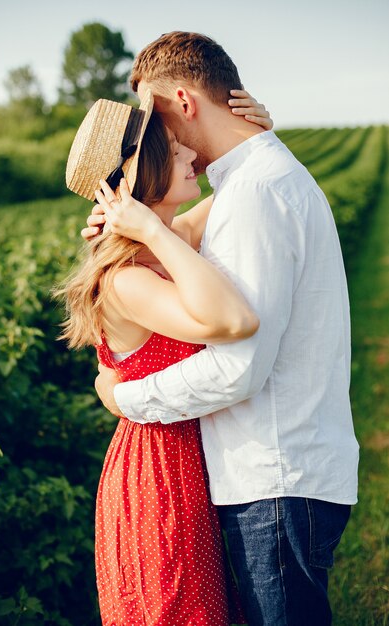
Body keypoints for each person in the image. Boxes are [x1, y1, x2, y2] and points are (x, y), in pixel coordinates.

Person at [84, 32, 360, 626]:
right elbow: (173, 244)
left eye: (153, 117)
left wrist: (122, 395)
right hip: (258, 471)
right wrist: (132, 225)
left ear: (183, 103)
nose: (153, 136)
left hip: (276, 470)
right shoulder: (253, 183)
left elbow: (239, 365)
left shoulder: (256, 191)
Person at [55, 89, 271, 625]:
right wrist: (149, 227)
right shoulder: (128, 279)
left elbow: (246, 187)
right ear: (146, 174)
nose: (192, 156)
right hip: (159, 474)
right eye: (175, 150)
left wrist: (261, 139)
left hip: (185, 458)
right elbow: (234, 320)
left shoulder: (170, 241)